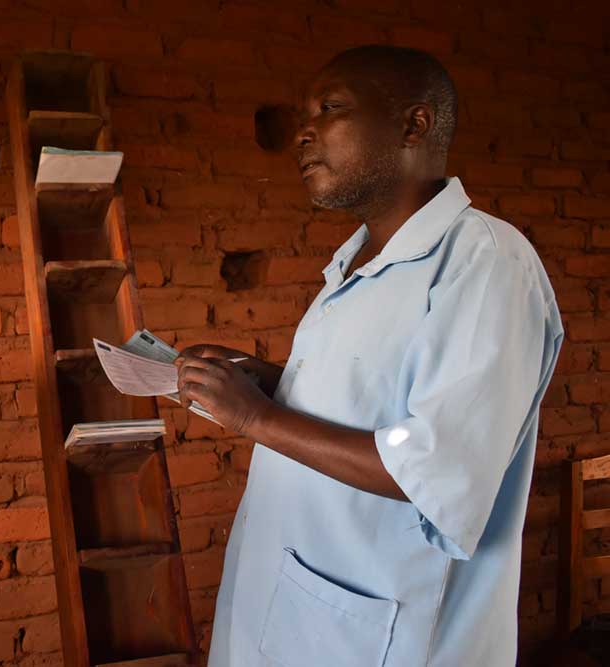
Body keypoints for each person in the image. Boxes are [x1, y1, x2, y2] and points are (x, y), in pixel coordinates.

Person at [176, 46, 563, 666]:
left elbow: (438, 468)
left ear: (415, 124)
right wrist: (270, 385)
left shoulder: (486, 262)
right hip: (299, 608)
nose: (303, 132)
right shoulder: (357, 266)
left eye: (329, 108)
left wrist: (256, 418)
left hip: (386, 632)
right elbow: (380, 406)